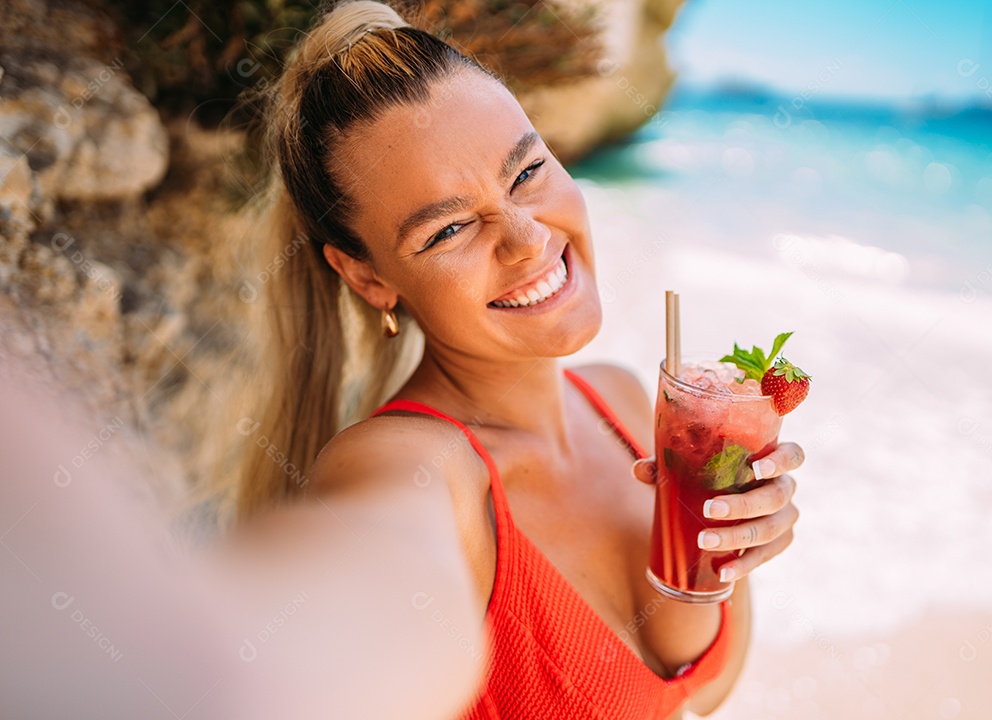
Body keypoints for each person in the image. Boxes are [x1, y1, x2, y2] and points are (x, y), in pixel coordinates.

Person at [215, 2, 804, 717]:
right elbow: (376, 556)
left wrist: (725, 550)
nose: (527, 238)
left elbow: (679, 693)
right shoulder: (410, 466)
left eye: (525, 172)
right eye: (451, 227)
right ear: (368, 278)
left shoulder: (621, 402)